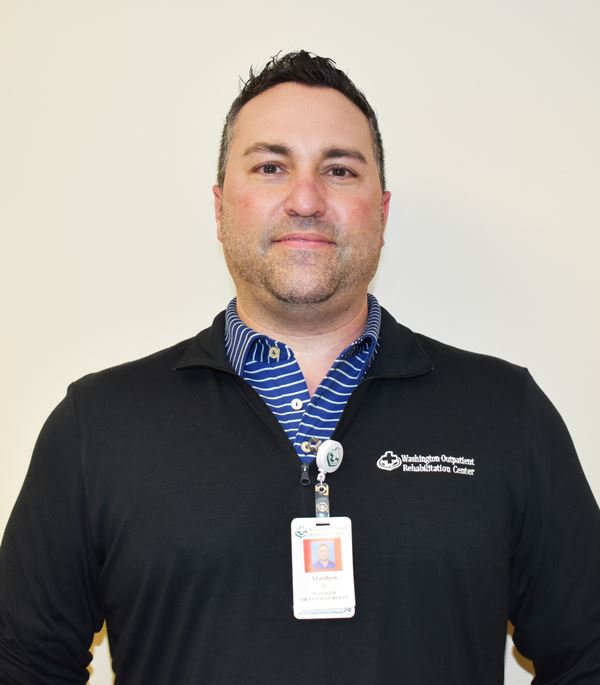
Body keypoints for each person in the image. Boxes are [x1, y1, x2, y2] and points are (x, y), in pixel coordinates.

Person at [0, 50, 599, 685]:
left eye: (339, 170)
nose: (306, 199)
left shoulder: (503, 413)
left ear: (383, 211)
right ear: (220, 207)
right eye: (270, 167)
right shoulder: (99, 426)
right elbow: (22, 666)